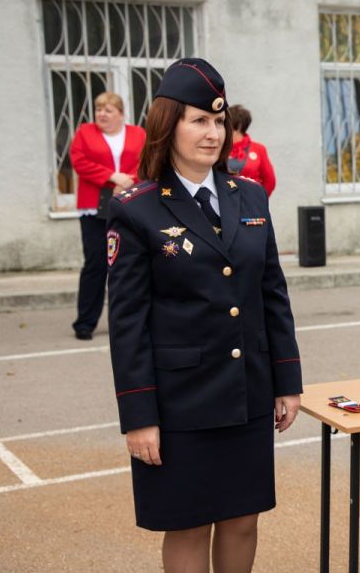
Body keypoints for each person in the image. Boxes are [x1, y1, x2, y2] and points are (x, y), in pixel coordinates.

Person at [106, 58, 302, 573]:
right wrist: (139, 416)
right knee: (187, 524)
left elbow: (271, 293)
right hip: (180, 403)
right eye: (198, 120)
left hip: (247, 390)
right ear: (168, 124)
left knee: (243, 519)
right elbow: (127, 323)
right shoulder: (136, 209)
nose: (212, 133)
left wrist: (287, 381)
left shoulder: (250, 196)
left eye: (218, 121)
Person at [69, 91, 145, 340]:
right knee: (95, 263)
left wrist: (128, 180)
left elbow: (145, 160)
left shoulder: (138, 134)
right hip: (93, 207)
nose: (101, 114)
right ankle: (85, 322)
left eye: (108, 110)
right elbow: (78, 161)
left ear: (121, 114)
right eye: (99, 109)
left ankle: (124, 321)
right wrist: (112, 176)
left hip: (128, 203)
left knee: (126, 265)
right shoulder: (84, 132)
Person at [227, 104, 276, 196]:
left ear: (238, 126)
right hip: (225, 204)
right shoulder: (219, 148)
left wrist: (259, 201)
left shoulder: (258, 149)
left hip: (251, 205)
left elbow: (270, 180)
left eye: (225, 123)